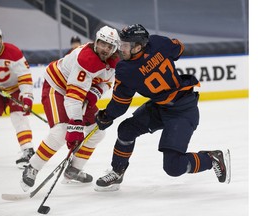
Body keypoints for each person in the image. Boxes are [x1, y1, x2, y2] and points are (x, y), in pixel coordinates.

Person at [95, 24, 231, 191]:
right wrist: (108, 115)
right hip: (160, 107)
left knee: (173, 167)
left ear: (138, 46)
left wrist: (106, 116)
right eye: (121, 43)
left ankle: (211, 158)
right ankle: (117, 171)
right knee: (126, 130)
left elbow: (121, 103)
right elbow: (179, 48)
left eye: (125, 45)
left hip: (183, 110)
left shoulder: (126, 69)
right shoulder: (157, 43)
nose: (120, 48)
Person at [20, 26, 120, 191]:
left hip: (81, 90)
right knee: (61, 131)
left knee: (97, 131)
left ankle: (74, 169)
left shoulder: (113, 62)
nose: (105, 49)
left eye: (109, 46)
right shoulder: (85, 59)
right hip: (57, 87)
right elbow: (73, 97)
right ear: (96, 42)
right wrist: (75, 125)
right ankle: (33, 167)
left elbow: (107, 81)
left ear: (114, 48)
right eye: (102, 44)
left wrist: (96, 92)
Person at [0, 24, 35, 168]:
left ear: (1, 38)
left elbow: (25, 77)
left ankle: (28, 150)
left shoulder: (13, 52)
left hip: (15, 88)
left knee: (19, 117)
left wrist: (27, 96)